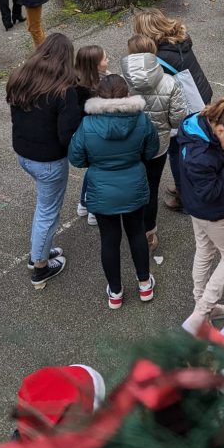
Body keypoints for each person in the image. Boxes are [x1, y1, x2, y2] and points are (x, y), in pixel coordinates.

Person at [69, 74, 159, 309]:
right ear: (126, 94)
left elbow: (76, 158)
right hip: (134, 186)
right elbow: (152, 150)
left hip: (101, 189)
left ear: (98, 95)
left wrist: (97, 163)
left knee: (109, 240)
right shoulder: (140, 119)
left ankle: (116, 293)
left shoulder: (88, 124)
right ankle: (144, 285)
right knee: (136, 234)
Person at [7, 33, 83, 289]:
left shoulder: (20, 78)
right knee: (47, 212)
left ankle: (42, 249)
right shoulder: (64, 91)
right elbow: (66, 135)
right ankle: (39, 265)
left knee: (44, 207)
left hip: (24, 154)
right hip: (49, 161)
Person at [178, 97, 224, 334]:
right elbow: (211, 191)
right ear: (220, 129)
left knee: (205, 250)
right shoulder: (201, 156)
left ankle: (204, 307)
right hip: (210, 211)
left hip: (195, 205)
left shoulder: (198, 125)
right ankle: (201, 314)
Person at [132, 9, 213, 212]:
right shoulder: (179, 39)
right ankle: (186, 187)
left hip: (184, 107)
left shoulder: (159, 56)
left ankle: (185, 198)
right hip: (199, 95)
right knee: (189, 148)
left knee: (177, 152)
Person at [121, 35, 189, 249]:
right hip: (158, 146)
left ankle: (130, 228)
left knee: (130, 185)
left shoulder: (121, 81)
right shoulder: (169, 82)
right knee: (152, 187)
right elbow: (179, 118)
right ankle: (149, 234)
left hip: (129, 146)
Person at [74, 44, 110, 226]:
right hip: (96, 137)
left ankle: (83, 203)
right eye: (105, 58)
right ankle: (93, 210)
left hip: (85, 135)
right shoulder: (96, 90)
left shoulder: (76, 83)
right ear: (95, 65)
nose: (108, 60)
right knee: (98, 173)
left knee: (93, 171)